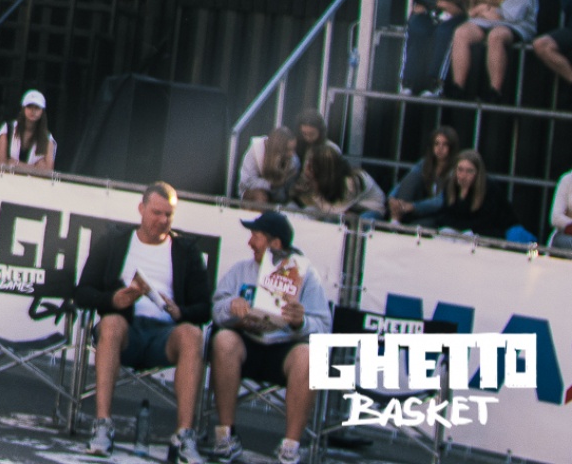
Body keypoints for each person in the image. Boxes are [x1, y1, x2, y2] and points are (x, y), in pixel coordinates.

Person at [76, 182, 211, 463]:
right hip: (126, 330)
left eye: (168, 215)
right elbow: (82, 292)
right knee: (110, 324)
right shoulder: (114, 241)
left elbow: (204, 309)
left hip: (165, 334)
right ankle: (102, 425)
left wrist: (180, 311)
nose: (162, 220)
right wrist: (113, 300)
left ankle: (184, 435)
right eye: (156, 213)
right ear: (141, 209)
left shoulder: (186, 250)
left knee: (193, 335)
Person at [207, 211, 329, 464]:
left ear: (275, 243)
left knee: (311, 356)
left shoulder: (307, 276)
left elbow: (324, 328)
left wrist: (301, 322)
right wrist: (231, 307)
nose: (250, 242)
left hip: (285, 351)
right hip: (246, 347)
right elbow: (215, 311)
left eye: (256, 236)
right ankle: (225, 437)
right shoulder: (241, 270)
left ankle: (290, 448)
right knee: (223, 340)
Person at [445, 0, 537, 101]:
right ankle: (458, 87)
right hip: (486, 21)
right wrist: (486, 10)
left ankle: (495, 90)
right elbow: (472, 11)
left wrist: (483, 9)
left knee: (496, 36)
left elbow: (511, 16)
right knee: (461, 33)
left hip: (517, 25)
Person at [386, 125, 461, 224]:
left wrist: (413, 206)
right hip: (413, 208)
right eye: (436, 144)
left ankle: (398, 218)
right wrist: (392, 198)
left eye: (445, 144)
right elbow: (404, 182)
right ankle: (396, 219)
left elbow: (441, 201)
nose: (440, 148)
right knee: (413, 177)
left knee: (419, 225)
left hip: (438, 214)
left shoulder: (456, 169)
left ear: (452, 147)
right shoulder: (424, 163)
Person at [291, 142, 385, 221]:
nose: (307, 168)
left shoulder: (351, 181)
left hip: (368, 209)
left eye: (311, 166)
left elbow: (333, 211)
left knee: (332, 222)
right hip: (344, 208)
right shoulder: (324, 179)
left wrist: (313, 192)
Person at [434, 149, 513, 238]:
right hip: (459, 231)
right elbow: (444, 216)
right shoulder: (451, 185)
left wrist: (459, 226)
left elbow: (487, 222)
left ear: (477, 173)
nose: (463, 176)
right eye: (460, 170)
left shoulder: (490, 189)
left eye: (469, 171)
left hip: (486, 234)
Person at [0, 89, 56, 173]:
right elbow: (0, 165)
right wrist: (35, 168)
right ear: (23, 108)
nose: (33, 111)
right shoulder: (7, 129)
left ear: (42, 112)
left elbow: (47, 172)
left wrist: (15, 164)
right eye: (29, 106)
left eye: (37, 108)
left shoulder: (47, 138)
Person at [237, 126, 298, 204]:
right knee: (260, 197)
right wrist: (271, 185)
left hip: (277, 195)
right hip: (252, 191)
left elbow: (287, 191)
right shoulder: (256, 150)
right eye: (288, 150)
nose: (292, 154)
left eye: (293, 149)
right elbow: (247, 181)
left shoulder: (294, 161)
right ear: (278, 148)